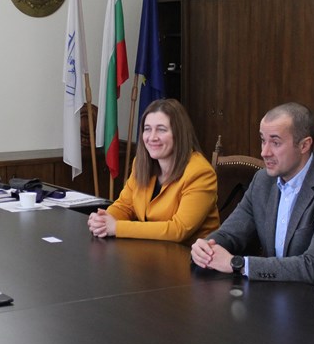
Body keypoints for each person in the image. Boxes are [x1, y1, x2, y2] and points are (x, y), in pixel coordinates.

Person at [191, 102, 314, 283]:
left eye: (275, 143)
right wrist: (206, 248)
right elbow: (229, 234)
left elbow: (313, 267)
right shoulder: (263, 181)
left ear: (304, 145)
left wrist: (238, 264)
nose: (264, 152)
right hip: (274, 291)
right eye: (263, 140)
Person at [87, 98, 220, 242]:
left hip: (190, 252)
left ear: (179, 134)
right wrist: (103, 220)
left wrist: (116, 227)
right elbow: (125, 206)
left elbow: (179, 230)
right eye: (147, 129)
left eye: (161, 129)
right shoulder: (141, 163)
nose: (152, 137)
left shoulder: (200, 173)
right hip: (150, 248)